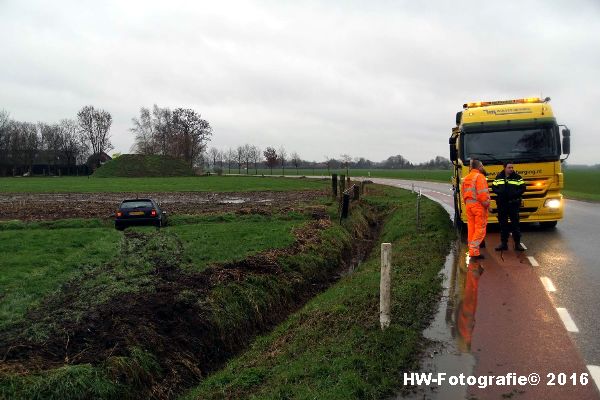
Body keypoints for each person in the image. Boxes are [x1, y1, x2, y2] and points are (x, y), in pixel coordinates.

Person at [492, 162, 526, 251]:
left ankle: (517, 244)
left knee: (515, 224)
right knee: (503, 225)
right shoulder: (499, 177)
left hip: (513, 204)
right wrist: (500, 192)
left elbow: (523, 188)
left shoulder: (517, 177)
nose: (511, 169)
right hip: (502, 205)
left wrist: (515, 194)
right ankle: (503, 244)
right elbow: (494, 187)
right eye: (509, 167)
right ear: (504, 168)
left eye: (512, 167)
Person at [462, 159, 490, 260]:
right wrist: (487, 205)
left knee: (471, 229)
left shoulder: (466, 178)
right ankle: (474, 250)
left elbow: (463, 193)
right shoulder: (480, 177)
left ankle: (472, 249)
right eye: (482, 166)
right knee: (480, 229)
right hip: (479, 207)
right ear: (478, 167)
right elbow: (482, 195)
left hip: (469, 206)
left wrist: (467, 204)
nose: (483, 167)